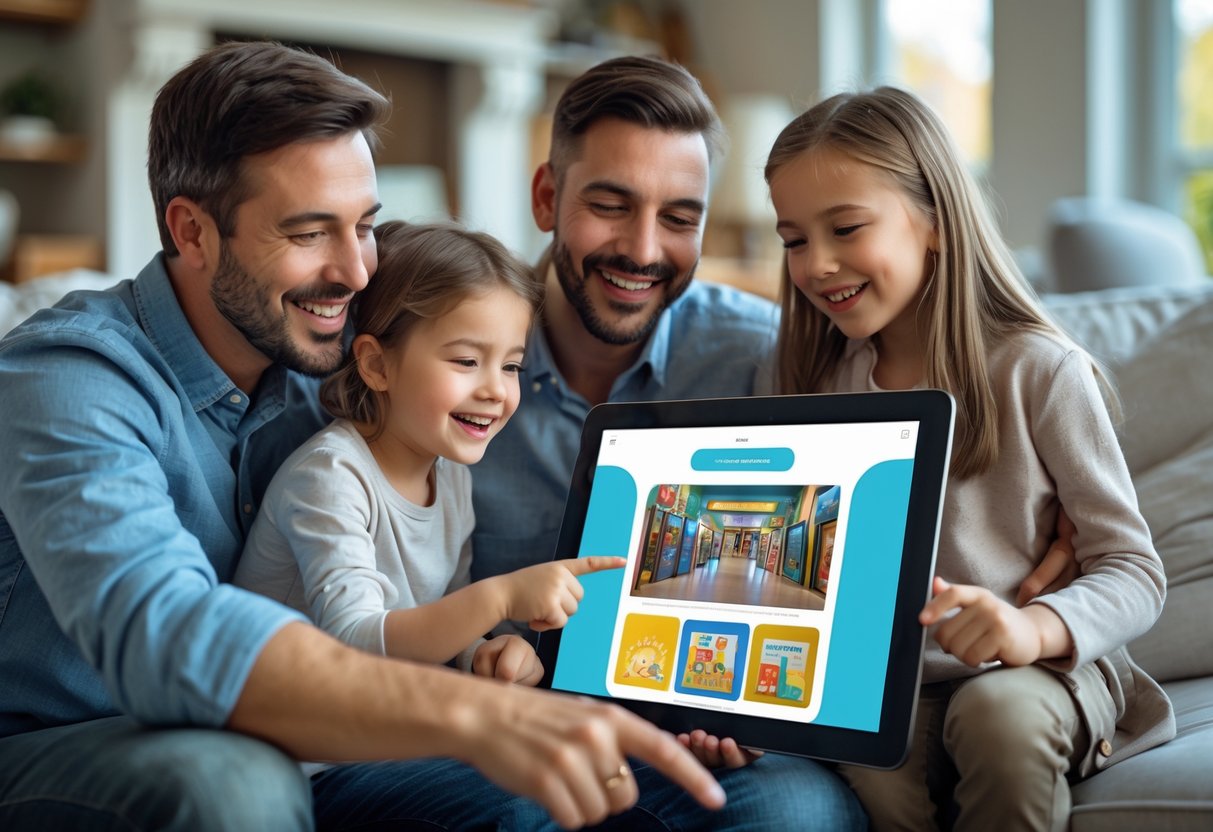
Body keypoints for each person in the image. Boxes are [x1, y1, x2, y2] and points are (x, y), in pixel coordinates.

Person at [0, 42, 733, 831]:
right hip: (65, 742)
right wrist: (469, 713)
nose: (355, 273)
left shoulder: (329, 354)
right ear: (193, 231)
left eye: (366, 226)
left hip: (296, 739)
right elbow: (166, 631)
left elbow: (462, 321)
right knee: (233, 781)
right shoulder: (68, 380)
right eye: (309, 232)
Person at [763, 86, 1176, 831]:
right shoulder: (814, 384)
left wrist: (1034, 629)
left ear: (935, 223)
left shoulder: (1037, 370)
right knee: (871, 774)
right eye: (793, 240)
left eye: (845, 228)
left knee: (996, 716)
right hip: (887, 686)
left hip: (1034, 671)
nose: (817, 264)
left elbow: (1133, 570)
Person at [234, 219, 623, 684]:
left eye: (512, 366)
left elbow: (440, 619)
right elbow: (354, 641)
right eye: (466, 361)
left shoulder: (451, 476)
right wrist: (498, 600)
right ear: (377, 365)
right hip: (291, 724)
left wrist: (481, 653)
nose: (496, 390)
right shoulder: (329, 479)